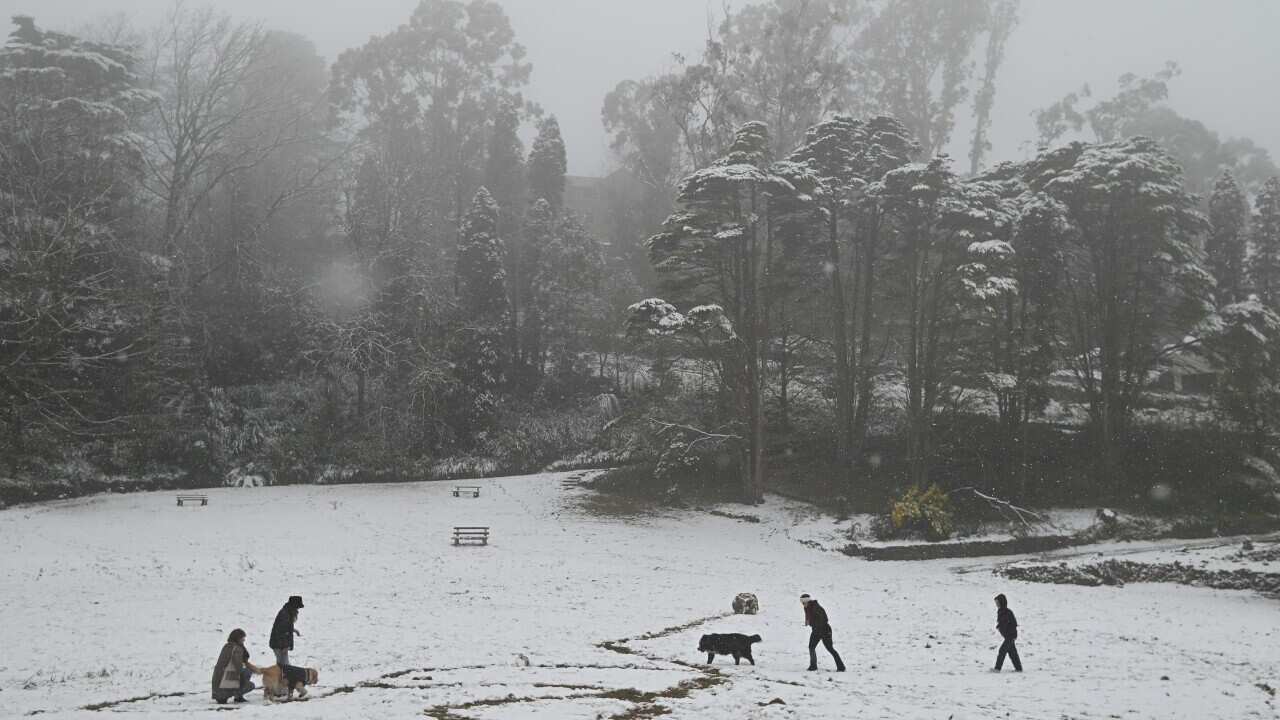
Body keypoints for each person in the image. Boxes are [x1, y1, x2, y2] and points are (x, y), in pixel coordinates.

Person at [800, 593, 845, 672]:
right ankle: (813, 666)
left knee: (830, 649)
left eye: (803, 602)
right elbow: (809, 616)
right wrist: (807, 621)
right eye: (801, 603)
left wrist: (814, 624)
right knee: (811, 647)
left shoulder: (816, 607)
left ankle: (841, 667)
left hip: (825, 630)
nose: (802, 604)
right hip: (816, 630)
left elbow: (824, 619)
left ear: (807, 601)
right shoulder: (807, 608)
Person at [211, 629, 257, 704]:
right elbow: (238, 667)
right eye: (243, 638)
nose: (244, 640)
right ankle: (238, 695)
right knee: (250, 682)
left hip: (216, 690)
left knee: (244, 673)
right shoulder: (237, 649)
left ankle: (224, 696)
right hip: (225, 685)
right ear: (238, 639)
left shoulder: (226, 646)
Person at [269, 595, 304, 666]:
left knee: (283, 665)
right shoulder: (285, 614)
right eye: (297, 607)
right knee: (283, 666)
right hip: (278, 645)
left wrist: (294, 630)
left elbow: (286, 627)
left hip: (280, 644)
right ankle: (279, 676)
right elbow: (281, 632)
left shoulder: (288, 612)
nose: (298, 609)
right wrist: (284, 647)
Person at [994, 593, 1022, 672]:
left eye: (997, 603)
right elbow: (1002, 622)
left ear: (1002, 602)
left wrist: (1007, 628)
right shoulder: (1000, 611)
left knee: (1002, 651)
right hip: (1007, 636)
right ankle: (1018, 668)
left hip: (1010, 635)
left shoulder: (1008, 612)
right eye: (996, 603)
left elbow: (1013, 623)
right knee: (1012, 653)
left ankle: (997, 668)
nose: (996, 604)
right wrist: (999, 626)